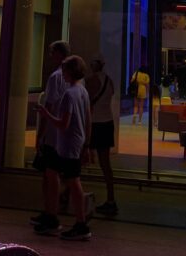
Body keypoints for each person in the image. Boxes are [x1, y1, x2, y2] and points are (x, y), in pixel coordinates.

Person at [35, 55, 92, 241]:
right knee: (64, 177)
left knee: (72, 181)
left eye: (65, 70)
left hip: (67, 143)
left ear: (70, 71)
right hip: (77, 142)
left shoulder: (69, 94)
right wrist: (86, 145)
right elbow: (87, 119)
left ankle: (80, 223)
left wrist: (46, 114)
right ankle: (71, 220)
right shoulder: (82, 91)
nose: (63, 74)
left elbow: (63, 124)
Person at [32, 40, 70, 227]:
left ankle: (51, 213)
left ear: (59, 54)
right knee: (51, 172)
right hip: (64, 131)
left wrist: (40, 133)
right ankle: (48, 210)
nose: (50, 56)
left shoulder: (56, 77)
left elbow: (49, 104)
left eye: (52, 52)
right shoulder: (72, 78)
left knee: (50, 172)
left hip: (53, 131)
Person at [84, 56, 118, 215]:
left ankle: (68, 193)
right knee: (106, 165)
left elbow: (87, 103)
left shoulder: (91, 81)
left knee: (78, 160)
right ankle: (111, 198)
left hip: (95, 123)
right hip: (108, 122)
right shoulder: (109, 81)